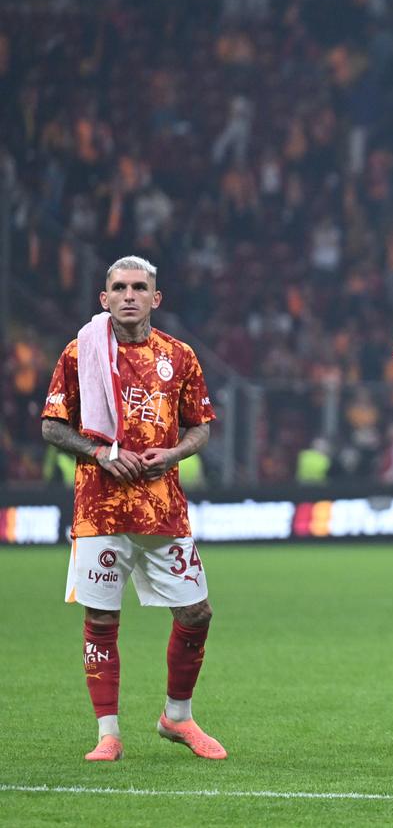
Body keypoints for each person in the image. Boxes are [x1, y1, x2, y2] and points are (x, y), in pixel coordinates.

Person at [40, 255, 223, 762]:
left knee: (197, 613)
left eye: (139, 287)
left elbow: (200, 426)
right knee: (101, 619)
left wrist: (174, 454)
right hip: (99, 510)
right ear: (104, 298)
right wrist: (100, 453)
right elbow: (52, 426)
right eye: (118, 287)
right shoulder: (80, 353)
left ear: (155, 298)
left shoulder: (180, 356)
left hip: (163, 507)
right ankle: (108, 734)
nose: (128, 295)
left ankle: (177, 717)